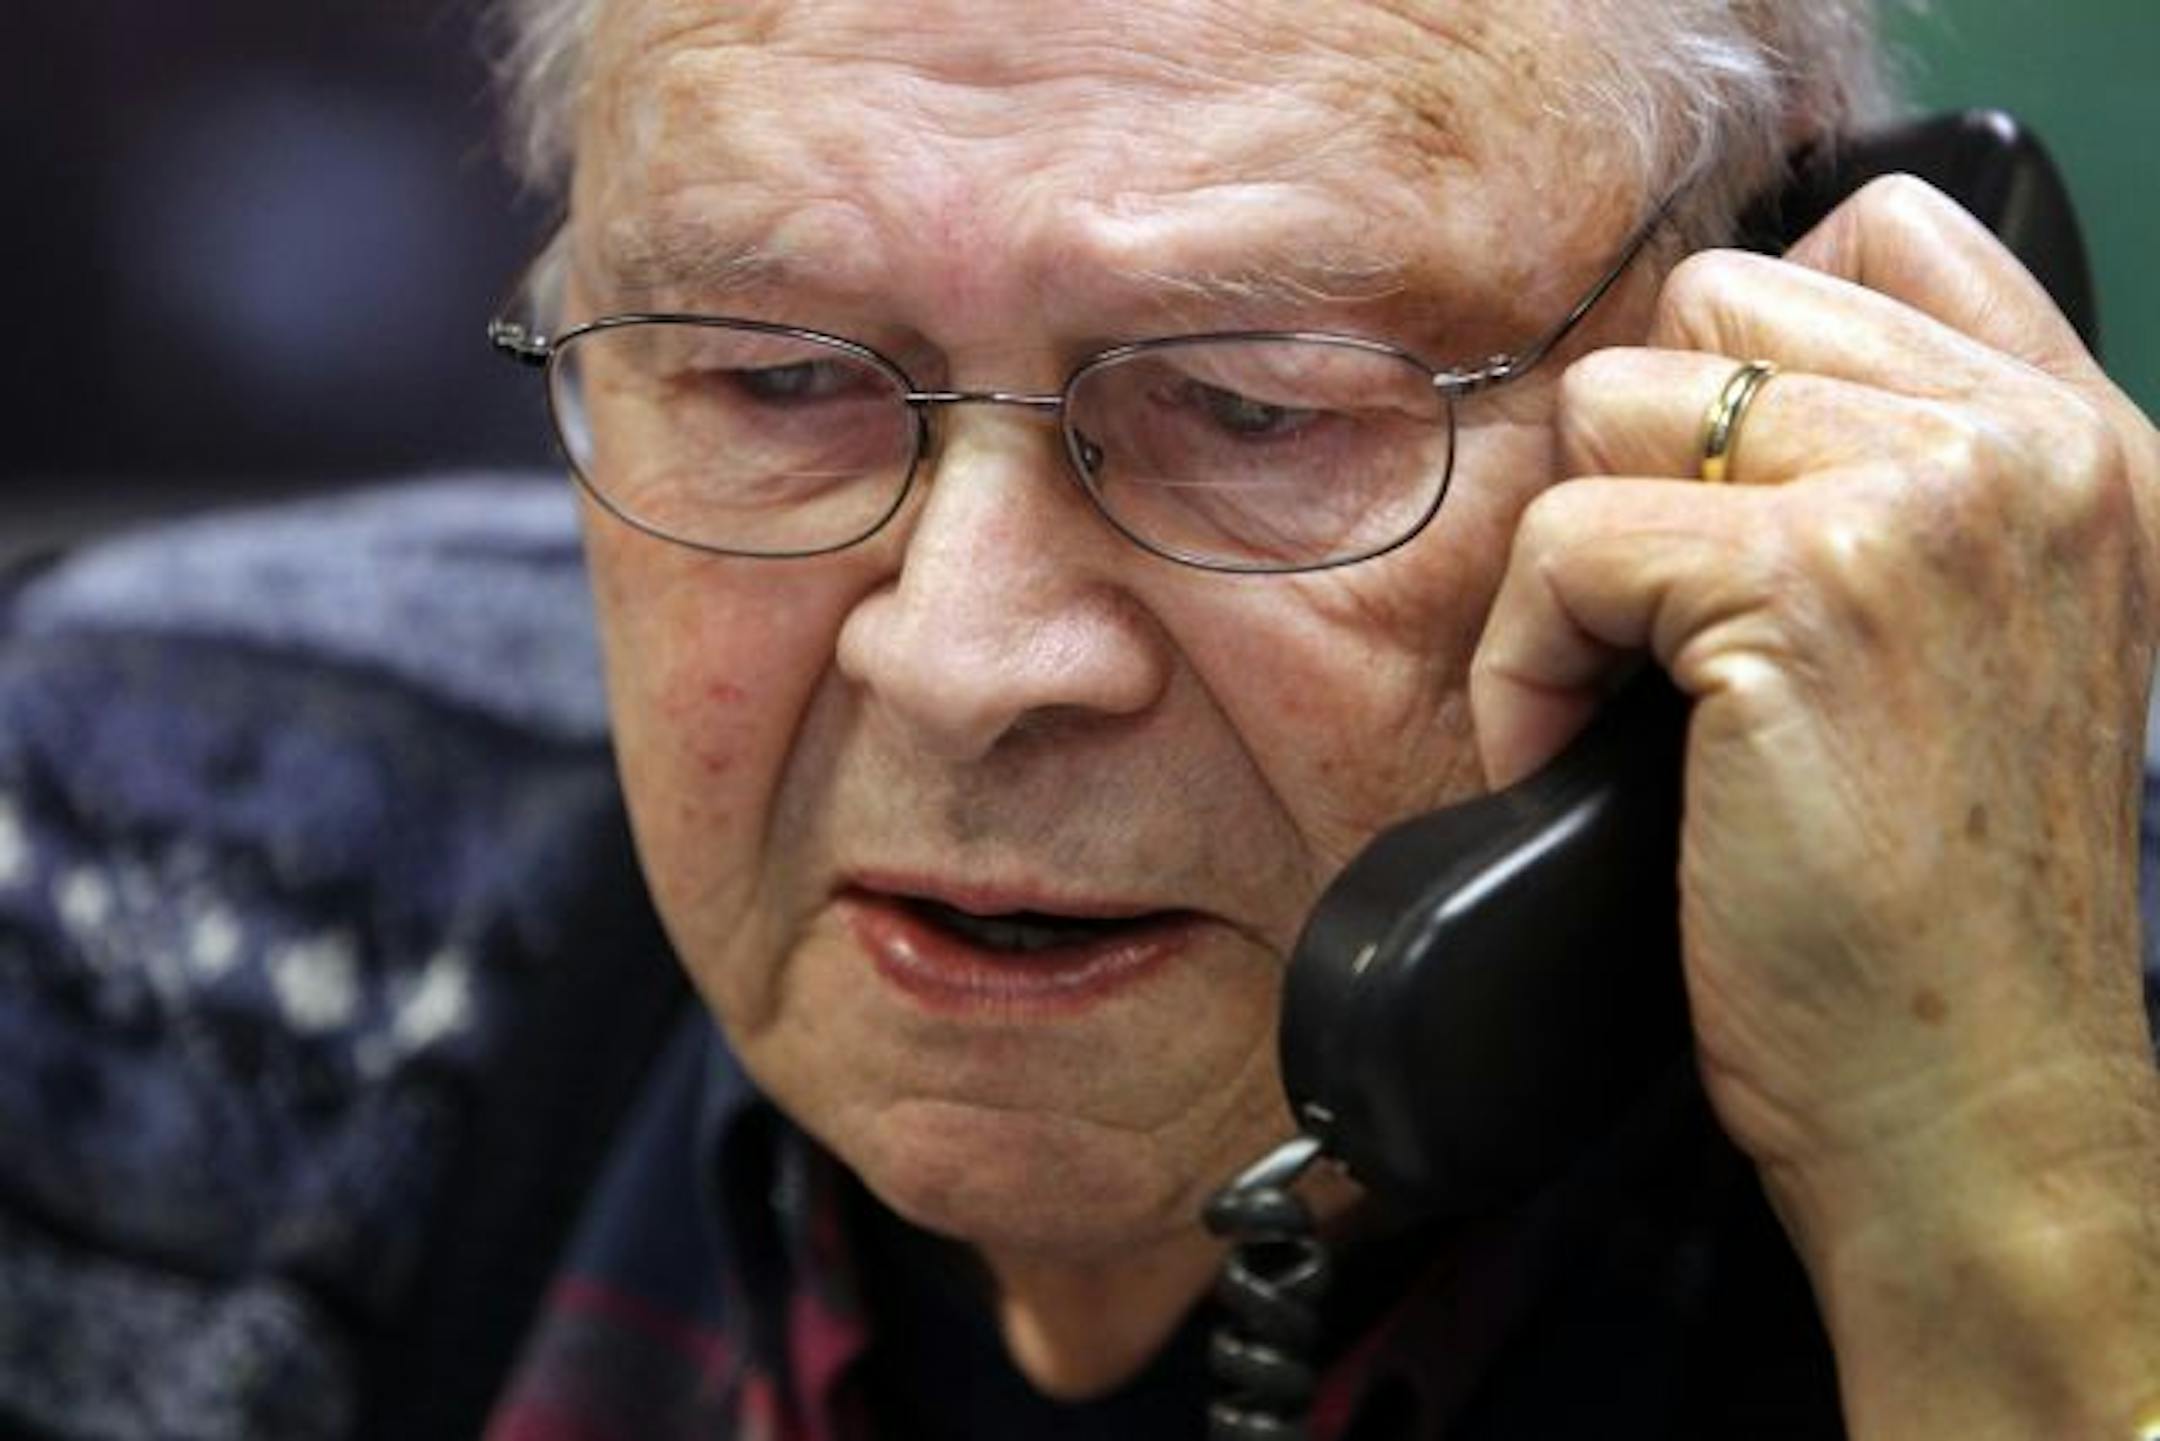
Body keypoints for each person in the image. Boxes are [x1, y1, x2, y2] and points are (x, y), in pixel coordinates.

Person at [456, 0, 2160, 1436]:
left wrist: (1999, 1221)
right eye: (775, 377)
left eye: (1253, 406)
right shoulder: (221, 857)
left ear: (1789, 331)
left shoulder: (2069, 1083)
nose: (963, 663)